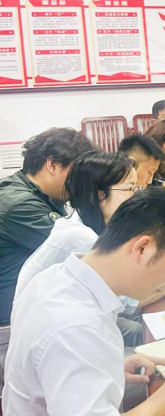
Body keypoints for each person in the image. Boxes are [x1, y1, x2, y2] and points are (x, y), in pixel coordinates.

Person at [0, 187, 165, 416]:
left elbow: (50, 368)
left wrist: (106, 368)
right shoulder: (75, 326)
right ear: (142, 249)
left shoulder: (57, 278)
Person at [14, 151, 165, 347]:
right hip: (45, 327)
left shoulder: (91, 220)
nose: (135, 196)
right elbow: (126, 304)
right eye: (129, 188)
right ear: (100, 194)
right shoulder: (82, 237)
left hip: (63, 313)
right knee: (144, 330)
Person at [0, 127, 94, 327]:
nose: (81, 183)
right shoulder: (20, 204)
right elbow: (84, 250)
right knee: (130, 328)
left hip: (37, 302)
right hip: (13, 319)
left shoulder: (42, 194)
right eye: (77, 173)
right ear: (53, 164)